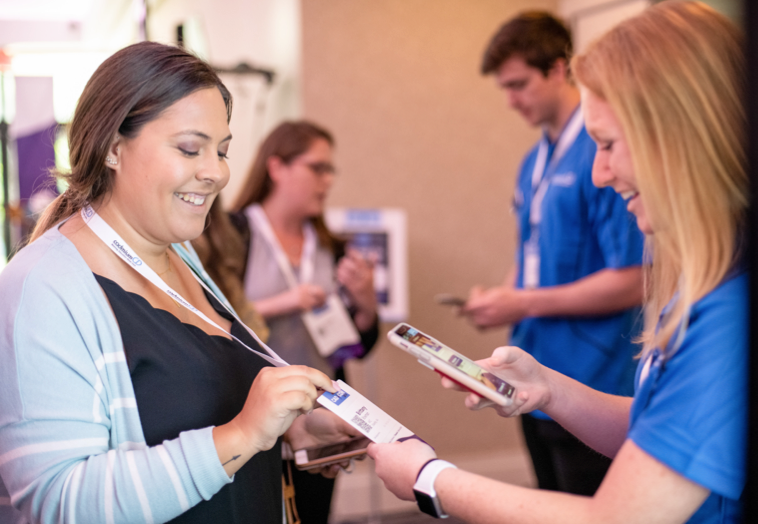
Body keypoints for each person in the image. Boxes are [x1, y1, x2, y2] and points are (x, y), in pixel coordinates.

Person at [369, 2, 747, 523]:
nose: (599, 174)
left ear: (678, 138)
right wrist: (548, 387)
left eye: (609, 144)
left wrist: (428, 478)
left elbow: (616, 517)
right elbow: (655, 426)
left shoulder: (729, 314)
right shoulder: (699, 292)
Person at [0, 41, 360, 524]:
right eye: (191, 148)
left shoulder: (179, 254)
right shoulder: (42, 288)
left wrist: (292, 430)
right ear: (112, 147)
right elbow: (59, 502)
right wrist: (245, 434)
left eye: (223, 150)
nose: (216, 173)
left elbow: (196, 410)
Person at [458, 11, 645, 495]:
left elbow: (633, 278)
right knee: (548, 495)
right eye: (505, 88)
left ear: (560, 68)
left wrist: (521, 302)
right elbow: (533, 252)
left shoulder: (601, 156)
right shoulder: (534, 161)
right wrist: (501, 295)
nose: (511, 101)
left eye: (519, 84)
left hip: (593, 377)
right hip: (535, 368)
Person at [196, 120, 379, 523]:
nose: (327, 181)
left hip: (320, 410)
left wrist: (365, 303)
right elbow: (213, 319)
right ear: (277, 167)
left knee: (313, 510)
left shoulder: (331, 245)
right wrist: (286, 302)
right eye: (318, 168)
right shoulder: (234, 234)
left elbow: (356, 344)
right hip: (251, 412)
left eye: (331, 170)